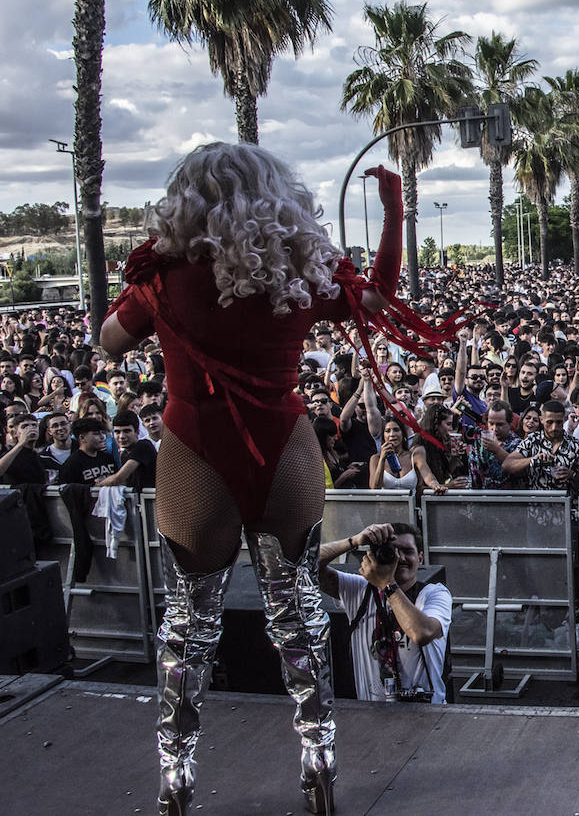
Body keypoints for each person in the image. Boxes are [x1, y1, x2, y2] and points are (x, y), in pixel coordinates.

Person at [99, 143, 418, 814]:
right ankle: (319, 754)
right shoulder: (296, 271)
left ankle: (177, 773)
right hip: (285, 452)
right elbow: (381, 299)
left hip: (194, 452)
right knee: (299, 611)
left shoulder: (164, 278)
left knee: (188, 624)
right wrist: (393, 210)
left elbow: (111, 342)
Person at [319, 523, 451, 704]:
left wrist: (387, 584)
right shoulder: (359, 590)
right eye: (393, 551)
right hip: (372, 717)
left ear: (420, 558)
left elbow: (421, 633)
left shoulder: (434, 594)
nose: (400, 558)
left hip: (425, 716)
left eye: (407, 551)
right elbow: (304, 566)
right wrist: (354, 541)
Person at [502, 400, 579, 491]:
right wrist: (532, 460)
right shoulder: (532, 440)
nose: (554, 428)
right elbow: (507, 465)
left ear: (564, 420)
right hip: (537, 503)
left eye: (558, 422)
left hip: (566, 503)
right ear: (542, 420)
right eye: (549, 422)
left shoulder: (576, 446)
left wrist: (572, 475)